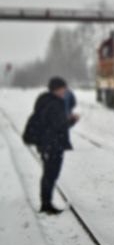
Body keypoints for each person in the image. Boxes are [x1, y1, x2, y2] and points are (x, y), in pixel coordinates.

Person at [24, 76, 78, 214]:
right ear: (57, 89)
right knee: (50, 175)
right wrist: (72, 120)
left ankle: (46, 202)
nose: (65, 91)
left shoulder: (46, 101)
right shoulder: (54, 104)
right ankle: (46, 204)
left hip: (48, 144)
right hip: (52, 145)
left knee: (49, 174)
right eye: (63, 88)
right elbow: (59, 125)